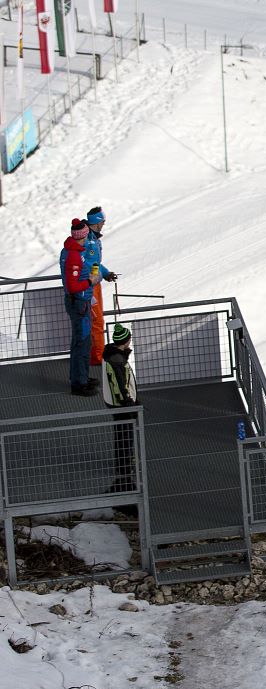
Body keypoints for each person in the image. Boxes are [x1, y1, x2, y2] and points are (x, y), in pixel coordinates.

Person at [59, 219, 97, 396]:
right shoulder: (74, 255)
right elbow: (74, 286)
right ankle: (79, 384)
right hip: (79, 303)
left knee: (80, 342)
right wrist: (90, 281)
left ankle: (81, 378)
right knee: (82, 343)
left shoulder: (69, 251)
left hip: (78, 302)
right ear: (83, 235)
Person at [102, 322, 139, 492]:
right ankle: (124, 466)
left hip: (114, 402)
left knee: (121, 432)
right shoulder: (117, 359)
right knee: (125, 434)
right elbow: (119, 384)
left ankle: (122, 463)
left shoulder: (113, 355)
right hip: (121, 404)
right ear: (126, 341)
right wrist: (129, 402)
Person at [82, 206, 118, 367]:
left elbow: (95, 263)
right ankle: (97, 358)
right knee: (96, 321)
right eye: (103, 221)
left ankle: (96, 355)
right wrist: (101, 273)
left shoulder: (94, 238)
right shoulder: (87, 239)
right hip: (88, 285)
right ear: (97, 221)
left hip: (94, 283)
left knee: (96, 320)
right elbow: (89, 263)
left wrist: (105, 273)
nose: (104, 223)